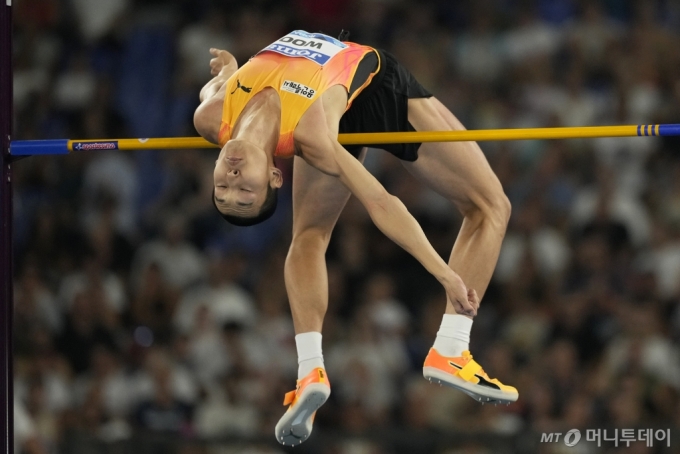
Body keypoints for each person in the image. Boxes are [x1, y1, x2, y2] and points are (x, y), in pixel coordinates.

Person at [193, 30, 517, 445]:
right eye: (246, 192)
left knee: (309, 234)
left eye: (224, 189)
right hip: (373, 88)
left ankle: (311, 370)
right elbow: (380, 202)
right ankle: (452, 347)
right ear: (276, 176)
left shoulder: (210, 117)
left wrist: (229, 70)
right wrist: (445, 275)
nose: (233, 181)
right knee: (492, 206)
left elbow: (214, 86)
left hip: (337, 101)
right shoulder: (313, 138)